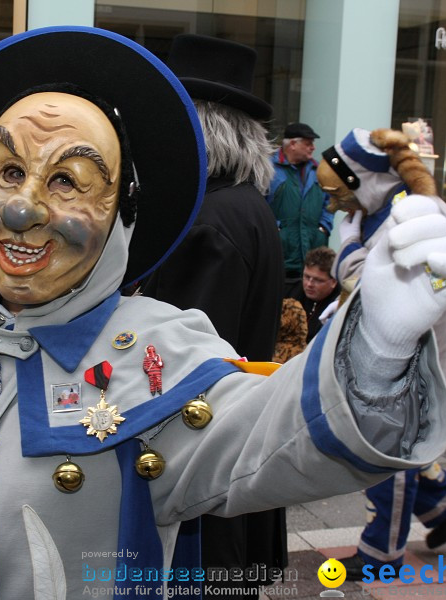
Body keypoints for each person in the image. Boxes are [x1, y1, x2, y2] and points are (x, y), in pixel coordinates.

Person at [0, 28, 446, 599]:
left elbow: (278, 439)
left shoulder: (158, 351)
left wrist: (378, 344)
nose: (20, 208)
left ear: (121, 215)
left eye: (66, 180)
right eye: (6, 170)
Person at [140, 34, 285, 599]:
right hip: (236, 445)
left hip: (208, 459)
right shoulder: (244, 205)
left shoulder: (209, 219)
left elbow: (181, 367)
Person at [317, 127, 446, 578]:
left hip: (408, 360)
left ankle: (381, 553)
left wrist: (348, 244)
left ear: (360, 182)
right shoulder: (378, 212)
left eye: (336, 193)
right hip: (400, 357)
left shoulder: (404, 215)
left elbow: (362, 282)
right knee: (401, 445)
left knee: (385, 453)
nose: (333, 204)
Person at [267, 121, 332, 297]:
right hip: (279, 260)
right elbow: (258, 204)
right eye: (308, 143)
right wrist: (275, 228)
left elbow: (329, 201)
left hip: (311, 259)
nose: (313, 147)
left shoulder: (318, 170)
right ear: (293, 144)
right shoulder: (268, 169)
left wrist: (324, 227)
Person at [292, 246, 340, 342]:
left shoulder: (339, 305)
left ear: (334, 282)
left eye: (318, 280)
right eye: (306, 276)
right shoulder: (290, 291)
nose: (309, 284)